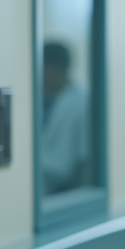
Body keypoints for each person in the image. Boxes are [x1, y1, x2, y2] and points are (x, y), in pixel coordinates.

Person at [40, 41, 91, 194]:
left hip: (65, 189)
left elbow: (82, 159)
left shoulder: (82, 102)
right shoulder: (49, 100)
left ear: (51, 69)